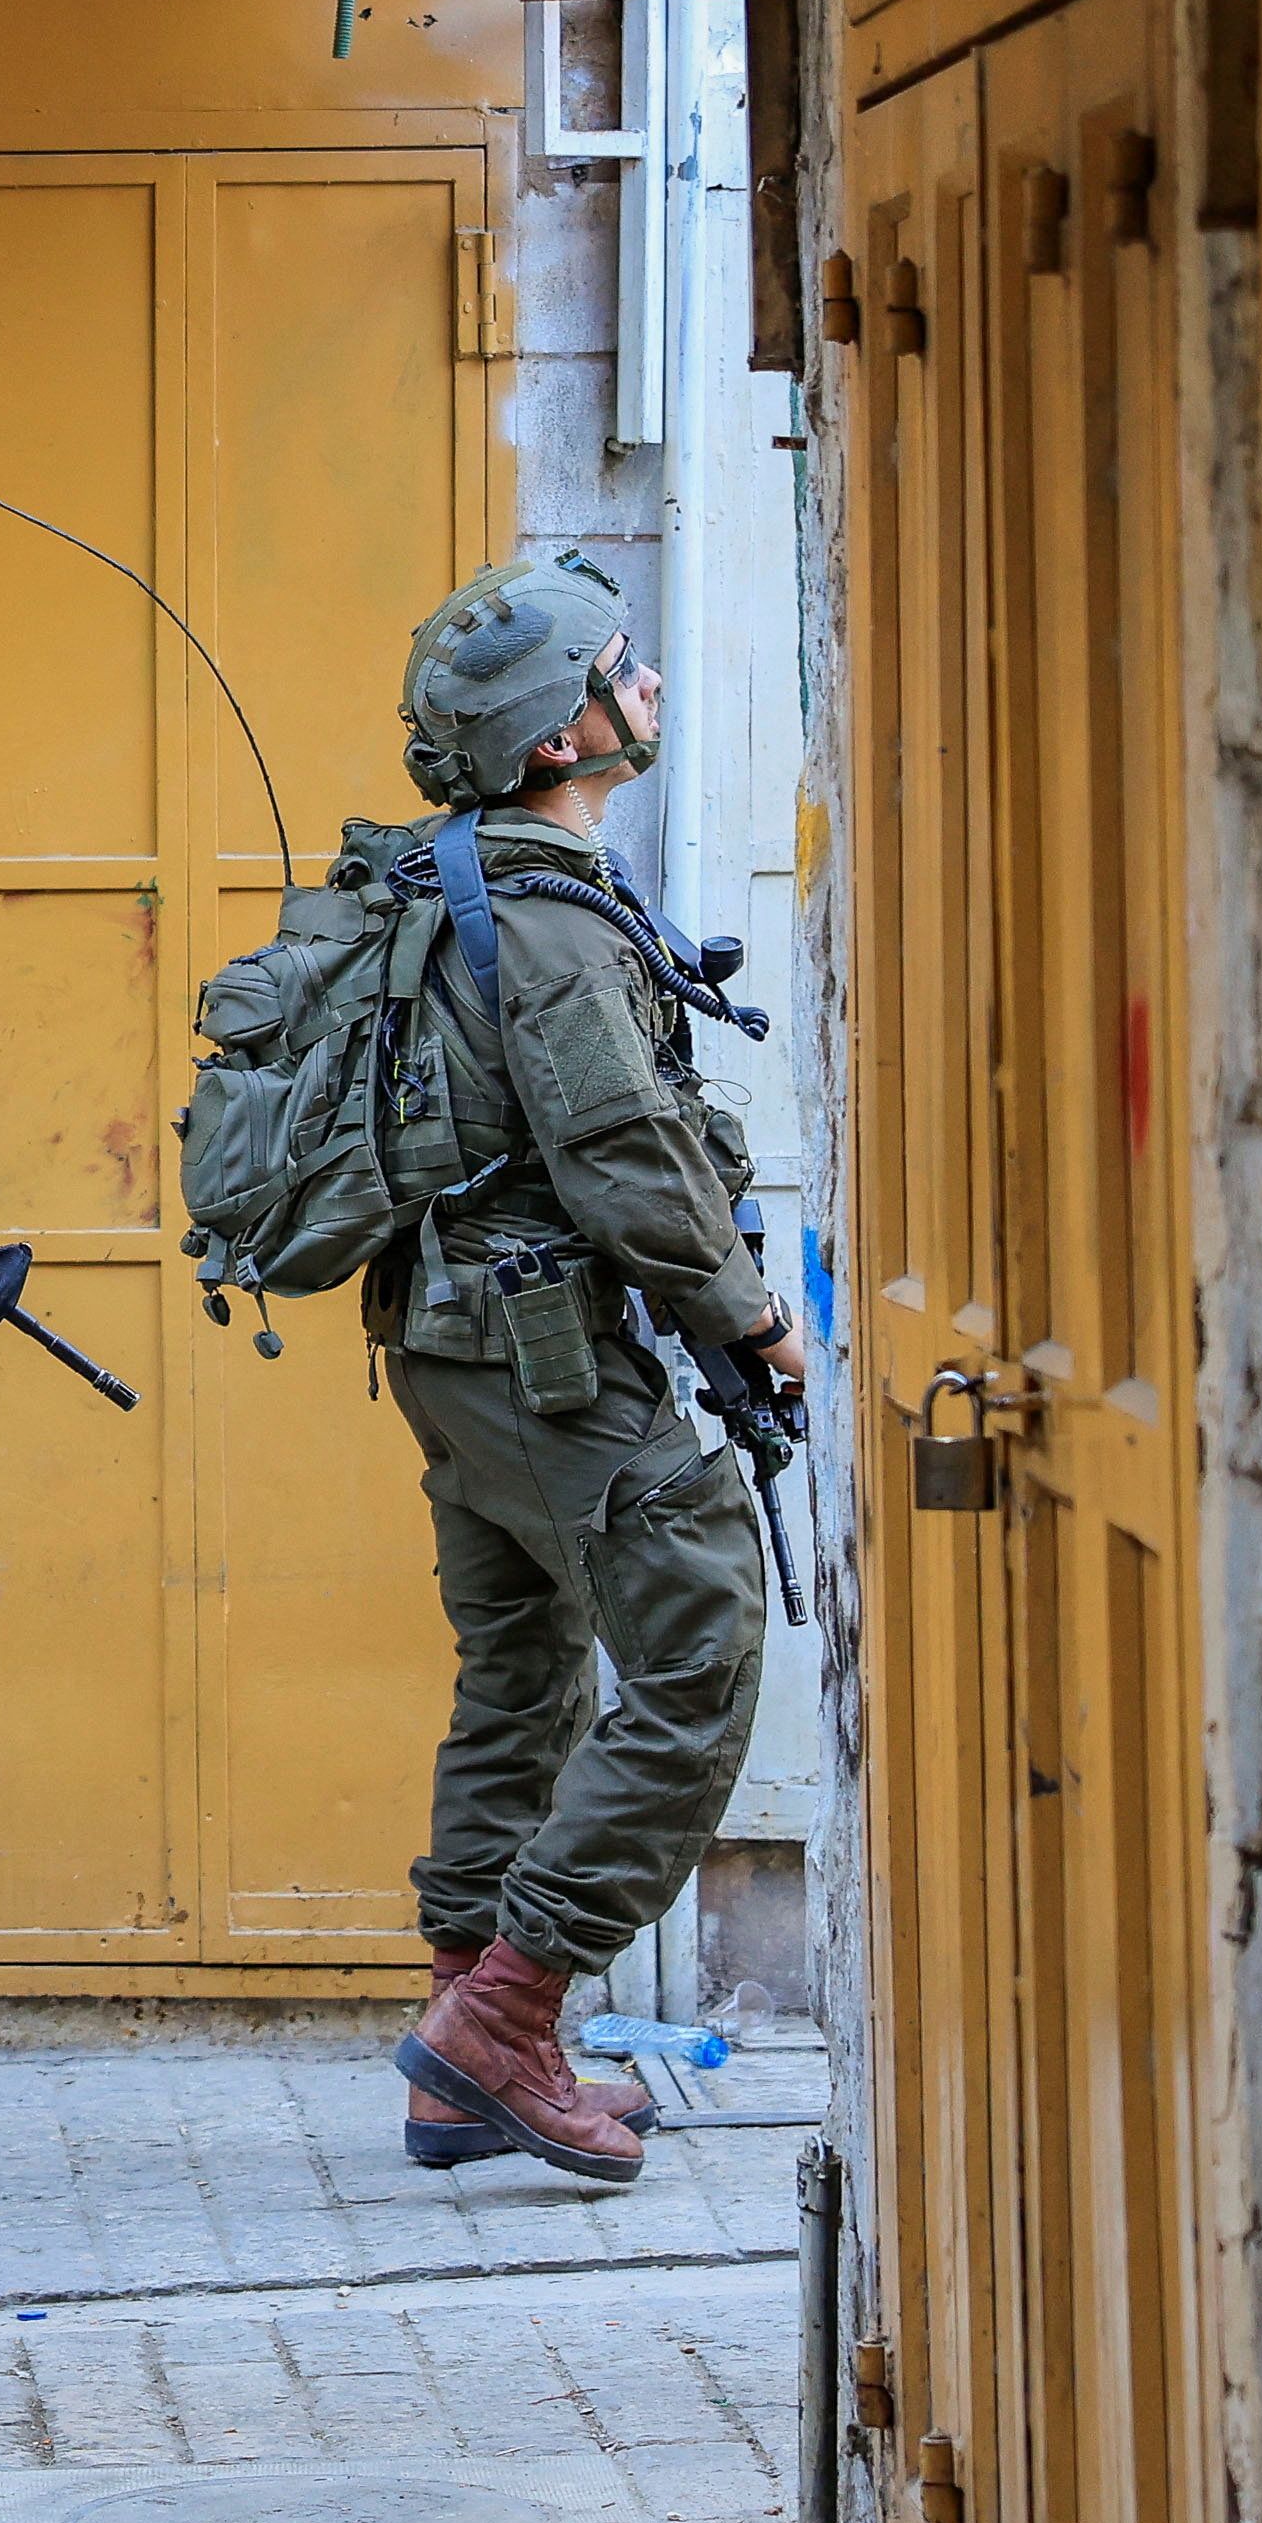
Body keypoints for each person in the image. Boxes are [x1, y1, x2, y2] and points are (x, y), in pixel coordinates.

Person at [372, 555, 803, 2184]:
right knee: (700, 1643)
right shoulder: (544, 918)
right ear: (561, 732)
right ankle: (506, 2013)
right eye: (622, 668)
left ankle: (468, 2045)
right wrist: (751, 1322)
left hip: (455, 1341)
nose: (651, 686)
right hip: (546, 1353)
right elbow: (624, 1151)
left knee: (525, 1670)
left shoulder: (453, 878)